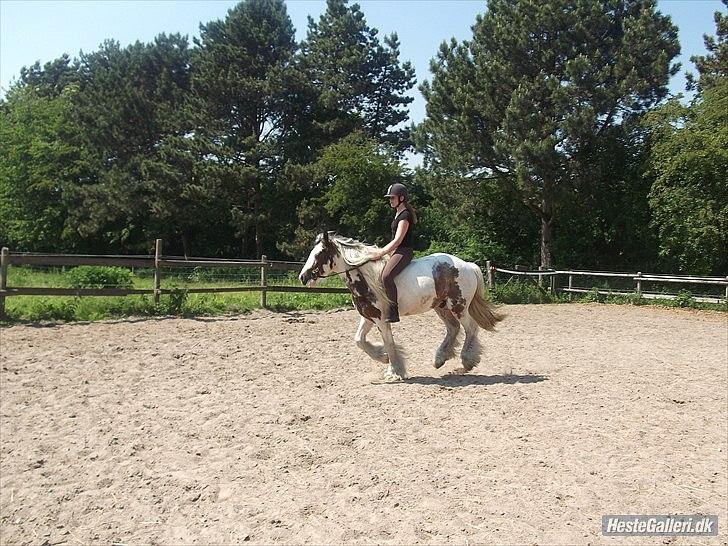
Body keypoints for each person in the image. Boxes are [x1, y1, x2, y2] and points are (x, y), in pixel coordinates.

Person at [373, 183, 417, 323]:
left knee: (386, 276)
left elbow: (398, 240)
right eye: (390, 198)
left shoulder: (405, 215)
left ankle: (393, 311)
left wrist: (381, 253)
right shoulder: (398, 213)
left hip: (404, 251)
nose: (390, 200)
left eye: (392, 198)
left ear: (402, 198)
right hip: (397, 251)